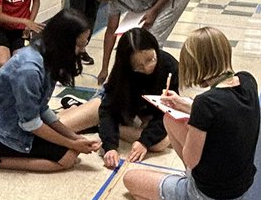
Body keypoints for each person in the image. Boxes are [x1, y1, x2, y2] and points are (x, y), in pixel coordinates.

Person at [123, 27, 259, 200]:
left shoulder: (206, 103)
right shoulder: (247, 80)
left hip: (209, 197)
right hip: (242, 185)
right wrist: (184, 104)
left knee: (131, 181)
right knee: (170, 120)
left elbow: (191, 159)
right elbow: (225, 108)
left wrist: (193, 122)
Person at [0, 9, 101, 173]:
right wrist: (71, 143)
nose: (81, 50)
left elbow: (41, 108)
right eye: (80, 45)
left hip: (14, 123)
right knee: (67, 158)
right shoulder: (29, 69)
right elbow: (31, 123)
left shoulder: (47, 54)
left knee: (71, 151)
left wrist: (74, 137)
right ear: (64, 41)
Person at [59, 28, 180, 169]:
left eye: (150, 60)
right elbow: (109, 109)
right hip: (119, 108)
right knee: (61, 126)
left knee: (160, 143)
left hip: (147, 114)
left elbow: (166, 114)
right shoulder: (122, 71)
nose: (147, 68)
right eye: (139, 66)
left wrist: (144, 142)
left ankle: (101, 125)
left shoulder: (169, 66)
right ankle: (93, 117)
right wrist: (110, 146)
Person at [87, 0, 195, 84]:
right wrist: (104, 68)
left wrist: (154, 11)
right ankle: (144, 75)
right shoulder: (114, 0)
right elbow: (111, 31)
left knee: (153, 38)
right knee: (141, 37)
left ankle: (157, 80)